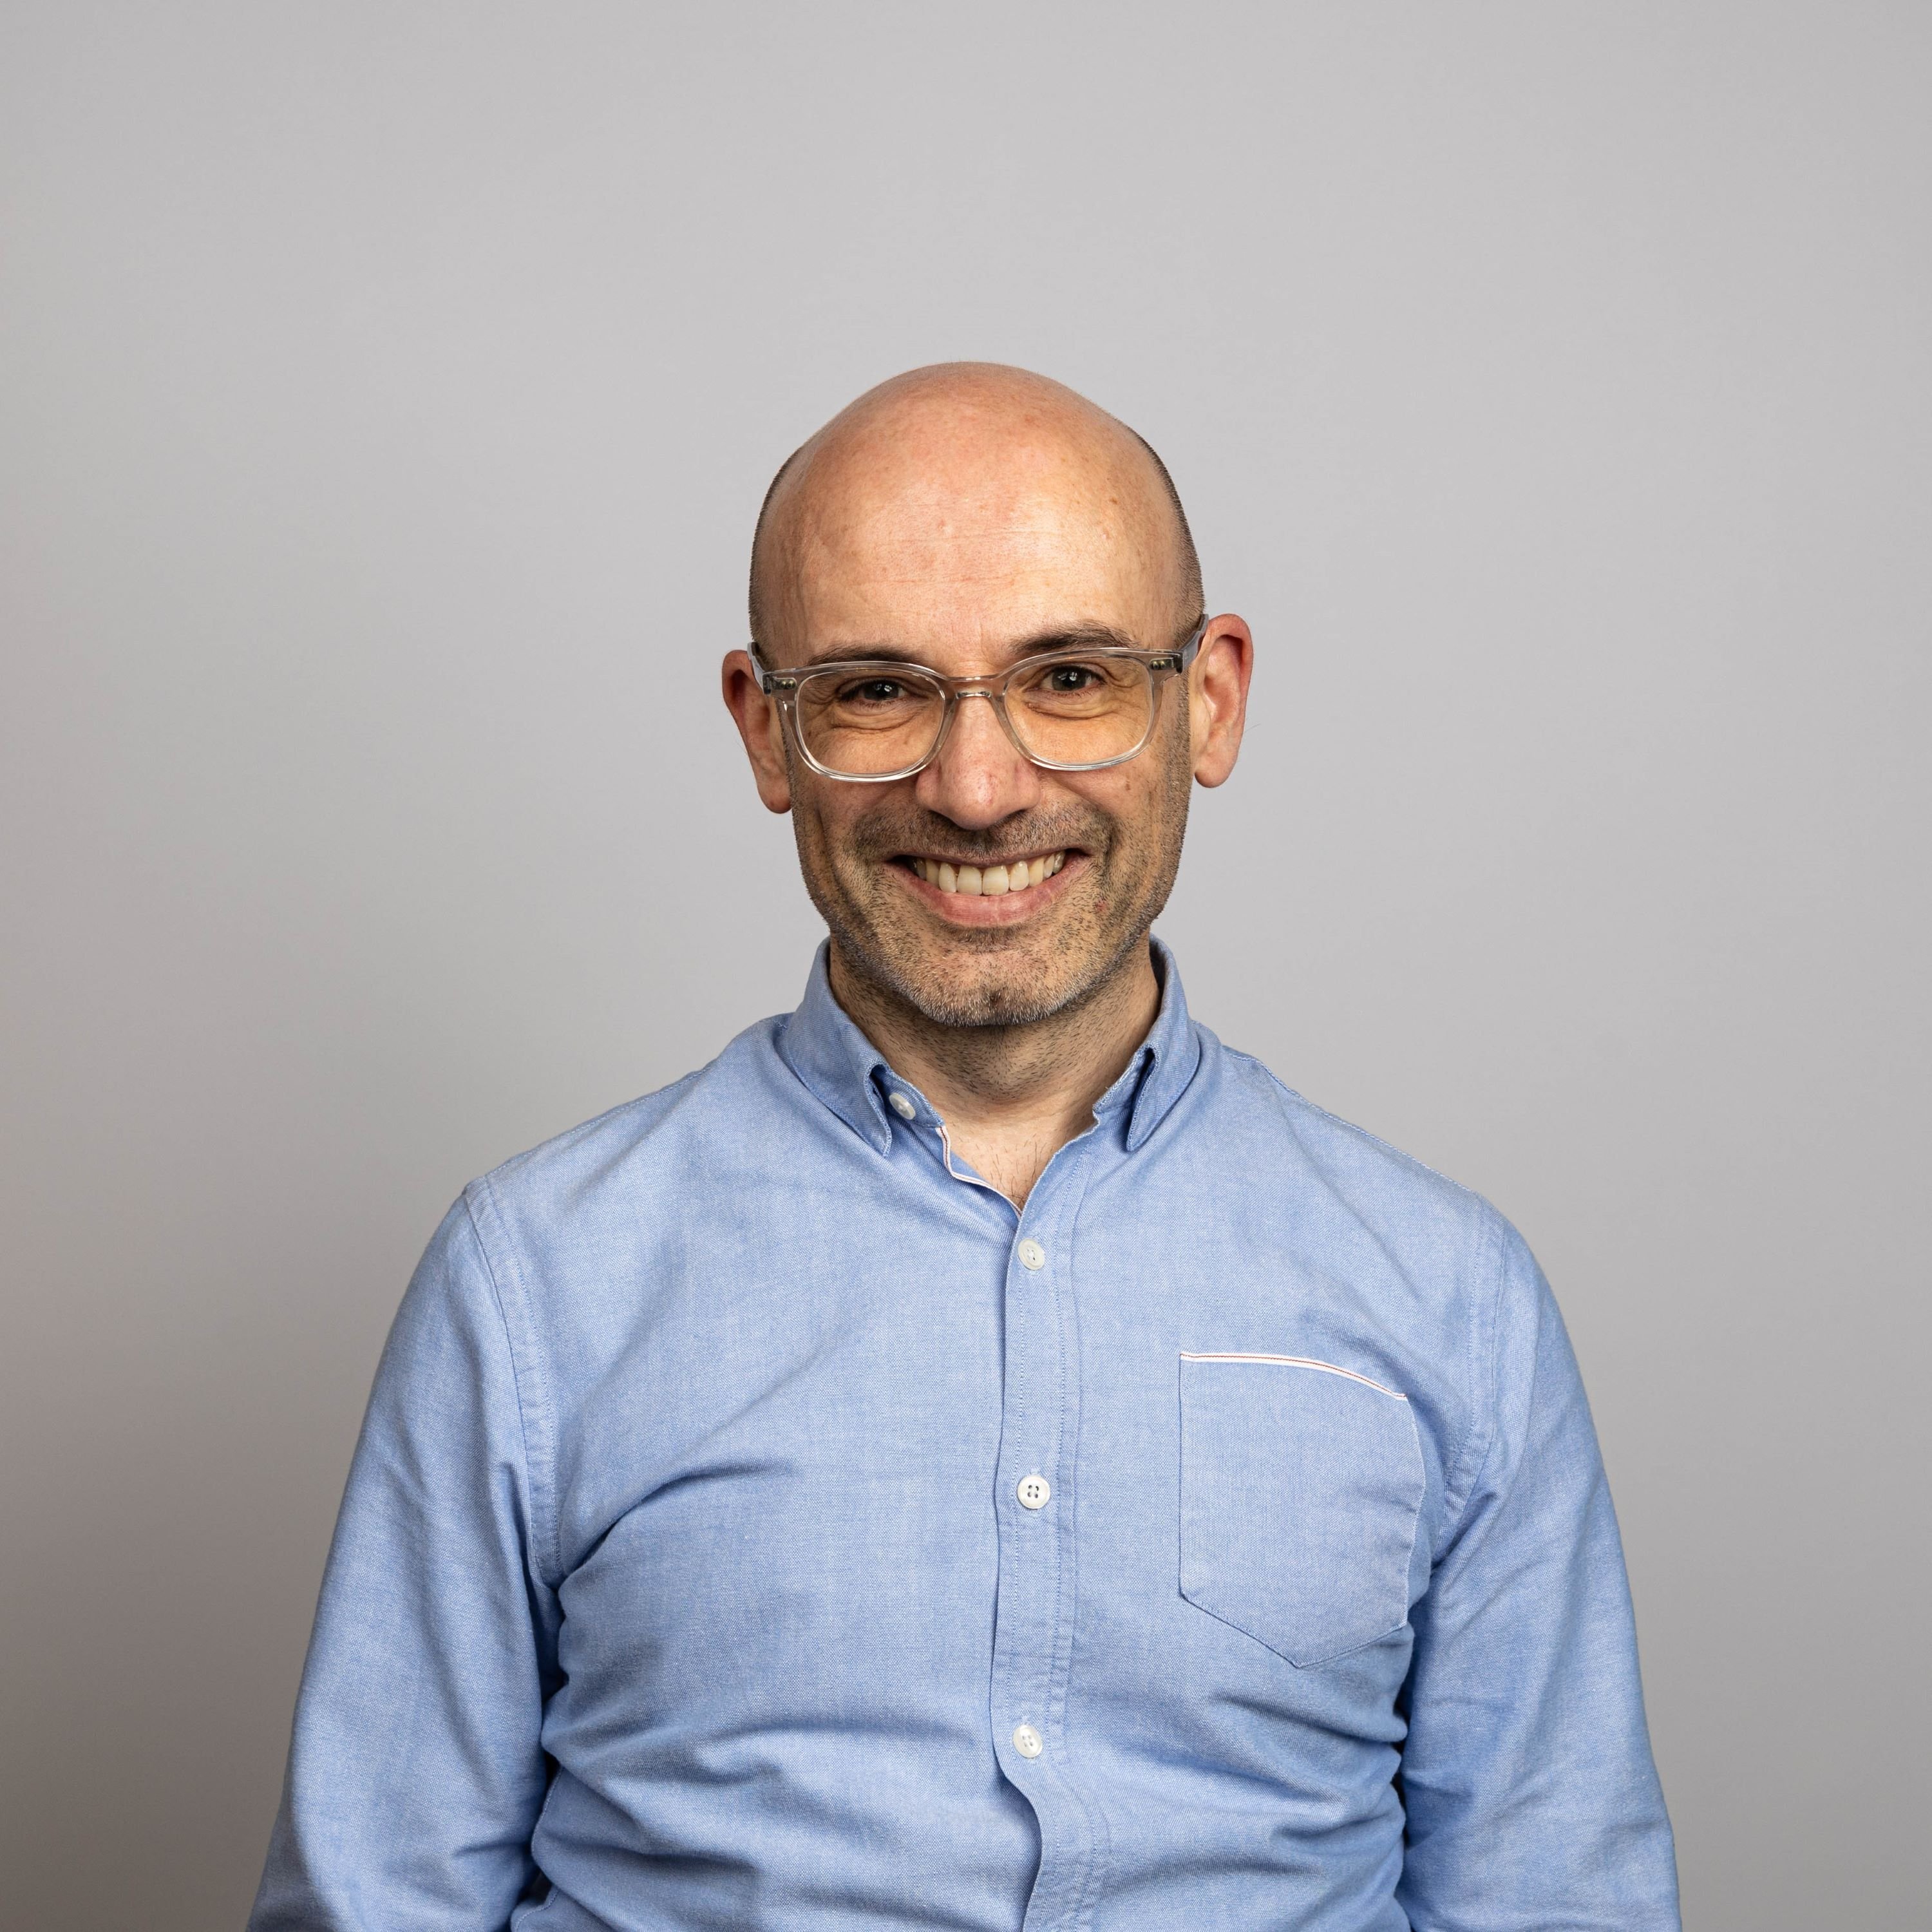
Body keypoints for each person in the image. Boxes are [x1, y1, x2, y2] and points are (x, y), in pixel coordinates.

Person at [251, 364, 1680, 1929]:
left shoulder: (1448, 1297)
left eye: (1070, 677)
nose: (979, 789)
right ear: (766, 731)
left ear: (1209, 699)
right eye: (877, 689)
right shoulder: (537, 1285)